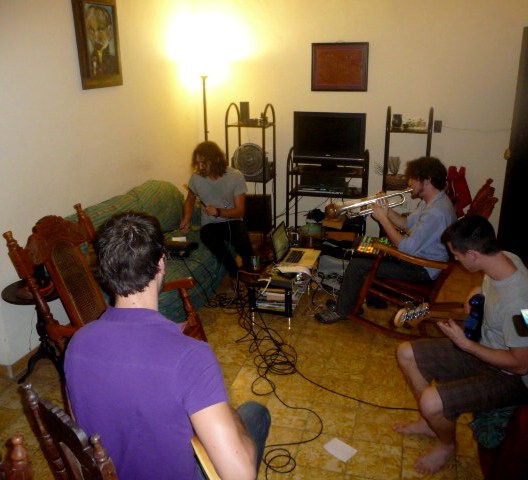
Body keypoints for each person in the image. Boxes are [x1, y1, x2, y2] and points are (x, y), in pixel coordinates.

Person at [64, 212, 270, 480]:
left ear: (104, 272)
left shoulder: (77, 343)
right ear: (161, 263)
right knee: (255, 413)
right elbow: (239, 475)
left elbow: (82, 425)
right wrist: (231, 417)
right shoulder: (191, 356)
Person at [394, 215, 528, 475]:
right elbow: (492, 289)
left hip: (510, 377)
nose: (455, 260)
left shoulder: (520, 303)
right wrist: (477, 291)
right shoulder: (504, 258)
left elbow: (522, 364)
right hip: (485, 346)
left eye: (456, 255)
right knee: (406, 352)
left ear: (473, 255)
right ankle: (428, 423)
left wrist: (465, 345)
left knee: (432, 402)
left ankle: (446, 445)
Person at [316, 156, 457, 324]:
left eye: (412, 178)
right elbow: (406, 224)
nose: (409, 182)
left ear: (427, 180)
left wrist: (383, 219)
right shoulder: (433, 202)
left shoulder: (436, 212)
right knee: (360, 242)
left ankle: (342, 311)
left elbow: (405, 248)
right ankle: (352, 302)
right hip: (416, 258)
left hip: (420, 268)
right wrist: (386, 210)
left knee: (358, 265)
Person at [180, 141, 254, 280]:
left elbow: (240, 211)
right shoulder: (196, 178)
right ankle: (234, 272)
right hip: (210, 224)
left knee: (241, 237)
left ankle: (249, 268)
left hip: (232, 220)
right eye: (198, 163)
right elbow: (189, 200)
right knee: (207, 236)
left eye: (204, 163)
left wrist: (218, 212)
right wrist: (187, 218)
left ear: (216, 160)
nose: (200, 167)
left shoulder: (235, 176)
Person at [84, 5, 118, 76]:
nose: (95, 36)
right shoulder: (87, 62)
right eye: (91, 30)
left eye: (100, 29)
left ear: (109, 31)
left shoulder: (115, 61)